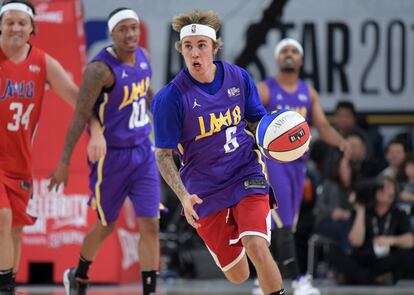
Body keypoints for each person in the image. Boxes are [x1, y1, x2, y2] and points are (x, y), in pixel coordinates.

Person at [152, 9, 285, 295]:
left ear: (214, 47)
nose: (195, 53)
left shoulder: (238, 77)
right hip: (204, 188)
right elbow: (163, 154)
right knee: (238, 275)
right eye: (188, 47)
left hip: (245, 171)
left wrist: (277, 135)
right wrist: (183, 196)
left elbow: (256, 119)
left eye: (201, 45)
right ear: (181, 50)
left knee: (257, 245)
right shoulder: (170, 98)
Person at [48, 7, 160, 295]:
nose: (130, 34)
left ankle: (150, 290)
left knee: (150, 224)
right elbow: (80, 113)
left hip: (142, 152)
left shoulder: (144, 57)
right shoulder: (100, 70)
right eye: (123, 29)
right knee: (106, 224)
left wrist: (161, 117)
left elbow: (145, 93)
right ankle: (79, 274)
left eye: (133, 27)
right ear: (112, 33)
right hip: (111, 157)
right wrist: (63, 161)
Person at [0, 1, 102, 294]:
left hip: (19, 162)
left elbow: (77, 98)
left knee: (15, 229)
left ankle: (8, 285)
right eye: (10, 22)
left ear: (32, 27)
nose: (16, 27)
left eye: (22, 22)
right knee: (3, 217)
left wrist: (96, 130)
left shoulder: (42, 62)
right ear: (1, 24)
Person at [255, 38, 351, 295]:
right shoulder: (265, 89)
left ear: (301, 59)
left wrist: (342, 143)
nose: (289, 54)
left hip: (298, 166)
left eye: (294, 51)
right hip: (273, 164)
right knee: (284, 224)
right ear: (277, 58)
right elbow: (246, 118)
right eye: (284, 50)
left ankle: (263, 278)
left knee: (282, 225)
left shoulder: (308, 93)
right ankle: (298, 279)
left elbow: (322, 127)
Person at [328, 176, 414, 285]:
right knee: (333, 252)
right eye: (381, 186)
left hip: (385, 260)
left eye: (388, 187)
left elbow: (410, 240)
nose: (384, 189)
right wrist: (361, 210)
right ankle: (371, 279)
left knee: (404, 256)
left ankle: (356, 278)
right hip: (364, 257)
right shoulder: (364, 210)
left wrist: (391, 240)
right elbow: (356, 241)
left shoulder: (399, 213)